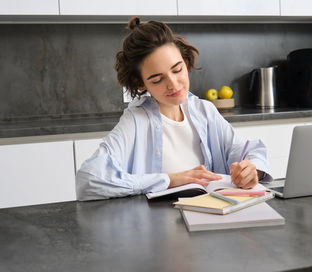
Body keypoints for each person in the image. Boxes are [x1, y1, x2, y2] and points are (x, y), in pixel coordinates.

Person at [76, 17, 272, 200]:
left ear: (186, 63)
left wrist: (252, 169)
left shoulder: (205, 111)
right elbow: (89, 179)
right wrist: (169, 180)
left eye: (177, 69)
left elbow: (248, 151)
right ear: (141, 83)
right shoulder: (135, 121)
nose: (173, 84)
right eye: (157, 79)